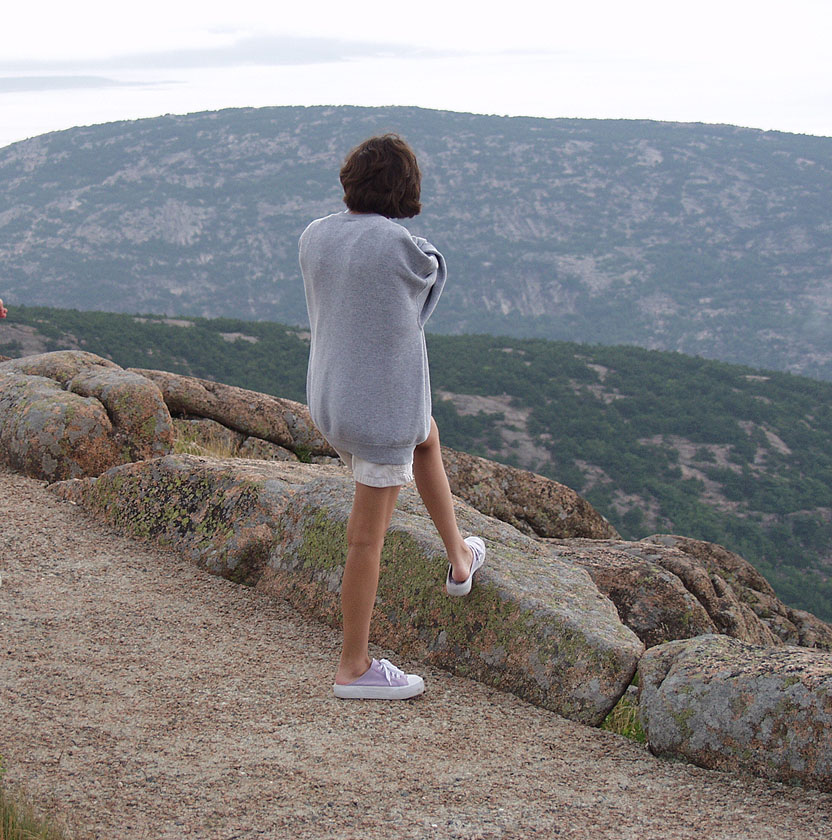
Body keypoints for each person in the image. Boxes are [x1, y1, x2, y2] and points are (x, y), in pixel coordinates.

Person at [299, 134, 485, 700]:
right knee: (365, 540)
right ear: (405, 189)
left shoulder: (315, 235)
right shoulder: (403, 247)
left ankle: (459, 559)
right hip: (379, 413)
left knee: (426, 436)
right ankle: (353, 667)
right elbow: (427, 286)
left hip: (331, 399)